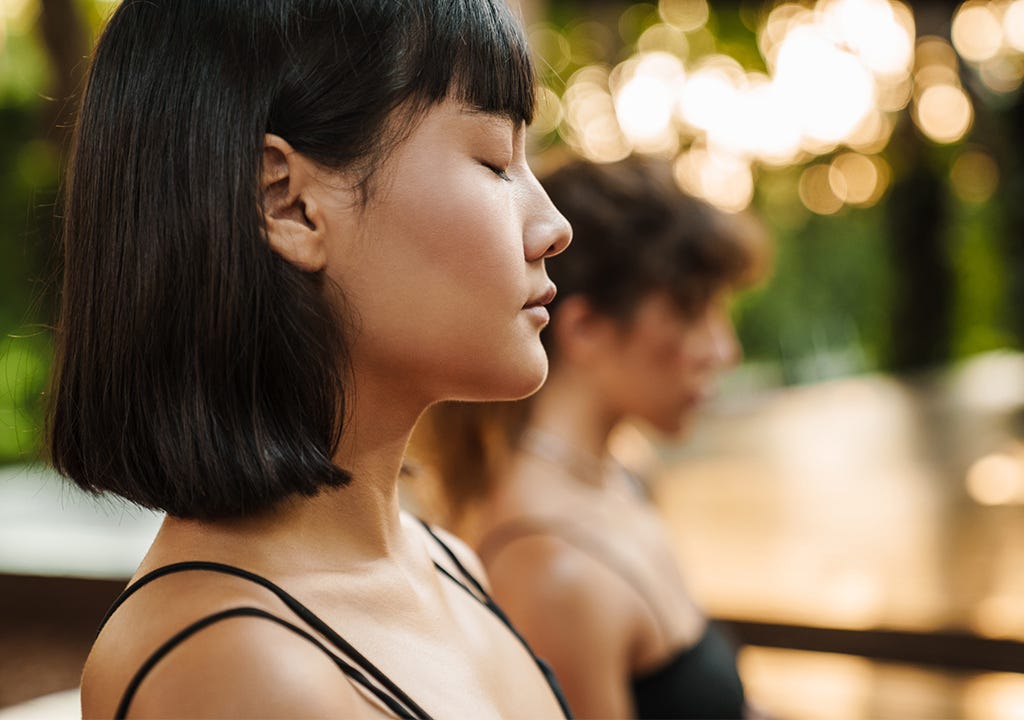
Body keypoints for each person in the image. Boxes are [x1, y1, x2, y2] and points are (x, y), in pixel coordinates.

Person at [46, 1, 572, 718]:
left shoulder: (447, 563)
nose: (553, 226)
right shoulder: (235, 668)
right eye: (494, 160)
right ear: (286, 202)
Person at [412, 156, 769, 719]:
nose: (724, 350)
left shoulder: (624, 474)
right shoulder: (548, 566)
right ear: (584, 329)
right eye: (692, 309)